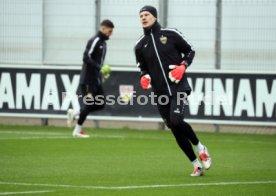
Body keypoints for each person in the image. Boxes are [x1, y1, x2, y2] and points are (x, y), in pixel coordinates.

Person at [134, 5, 211, 176]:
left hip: (179, 87)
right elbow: (142, 68)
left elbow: (190, 51)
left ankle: (200, 147)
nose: (143, 18)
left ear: (154, 17)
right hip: (160, 93)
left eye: (146, 14)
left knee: (176, 121)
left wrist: (183, 66)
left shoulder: (170, 34)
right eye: (140, 16)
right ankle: (196, 165)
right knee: (174, 128)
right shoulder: (139, 45)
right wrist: (144, 77)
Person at [67, 19, 114, 138]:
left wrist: (101, 72)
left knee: (101, 103)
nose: (110, 34)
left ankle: (75, 113)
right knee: (89, 104)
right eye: (109, 31)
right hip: (88, 79)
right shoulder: (95, 40)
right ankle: (77, 131)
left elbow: (98, 62)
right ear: (102, 29)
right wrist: (100, 67)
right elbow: (85, 57)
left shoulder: (103, 43)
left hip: (95, 80)